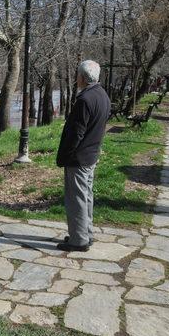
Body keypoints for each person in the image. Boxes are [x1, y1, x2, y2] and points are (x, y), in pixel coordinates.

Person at [56, 60, 111, 252]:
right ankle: (86, 233)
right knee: (86, 196)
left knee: (77, 198)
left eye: (77, 75)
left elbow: (76, 133)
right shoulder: (102, 95)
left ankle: (78, 240)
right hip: (91, 155)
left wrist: (65, 156)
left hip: (79, 158)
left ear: (82, 77)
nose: (76, 78)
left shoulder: (84, 100)